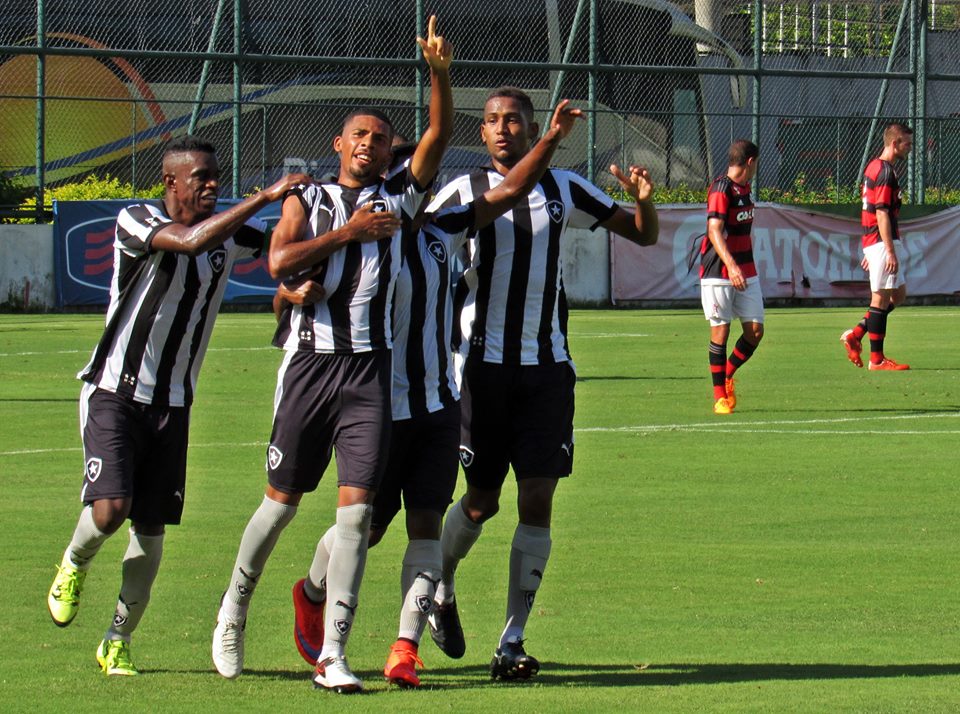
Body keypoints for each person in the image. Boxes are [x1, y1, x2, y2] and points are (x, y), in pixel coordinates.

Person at [285, 99, 588, 689]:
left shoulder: (446, 229)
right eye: (399, 175)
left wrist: (548, 140)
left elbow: (509, 190)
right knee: (367, 528)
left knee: (426, 525)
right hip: (374, 401)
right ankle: (314, 590)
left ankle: (404, 647)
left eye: (413, 172)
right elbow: (294, 282)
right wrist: (291, 295)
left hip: (436, 401)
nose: (408, 182)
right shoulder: (366, 236)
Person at [211, 16, 453, 693]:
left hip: (369, 374)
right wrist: (347, 233)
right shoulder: (308, 197)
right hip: (311, 368)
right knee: (281, 504)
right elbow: (281, 259)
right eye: (360, 137)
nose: (371, 146)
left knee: (356, 515)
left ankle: (334, 654)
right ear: (338, 144)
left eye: (380, 139)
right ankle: (234, 608)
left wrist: (439, 73)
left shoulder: (401, 199)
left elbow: (438, 137)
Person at [45, 135, 309, 676]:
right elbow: (188, 242)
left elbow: (284, 249)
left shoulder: (229, 233)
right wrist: (264, 197)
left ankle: (116, 640)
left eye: (217, 176)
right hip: (114, 393)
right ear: (171, 183)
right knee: (109, 510)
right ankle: (75, 561)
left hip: (174, 404)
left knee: (151, 530)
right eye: (202, 178)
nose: (213, 184)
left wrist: (301, 240)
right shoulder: (136, 220)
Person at [424, 86, 658, 681]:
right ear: (482, 133)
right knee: (480, 502)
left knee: (538, 499)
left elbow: (642, 233)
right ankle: (442, 586)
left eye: (514, 121)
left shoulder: (566, 188)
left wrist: (645, 202)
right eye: (493, 121)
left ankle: (512, 640)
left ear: (531, 129)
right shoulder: (461, 192)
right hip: (480, 369)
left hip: (548, 368)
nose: (503, 129)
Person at [840, 123, 913, 371]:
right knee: (880, 299)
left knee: (898, 295)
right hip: (883, 242)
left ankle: (857, 334)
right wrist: (886, 250)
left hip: (877, 242)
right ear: (895, 143)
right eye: (907, 143)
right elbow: (880, 212)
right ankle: (877, 360)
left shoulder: (874, 166)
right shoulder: (884, 172)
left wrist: (871, 248)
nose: (909, 148)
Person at [699, 139, 762, 415]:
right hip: (719, 271)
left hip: (747, 270)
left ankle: (727, 374)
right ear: (750, 162)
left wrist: (741, 266)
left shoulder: (746, 189)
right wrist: (732, 266)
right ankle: (719, 397)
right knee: (721, 331)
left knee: (755, 331)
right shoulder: (721, 188)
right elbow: (714, 231)